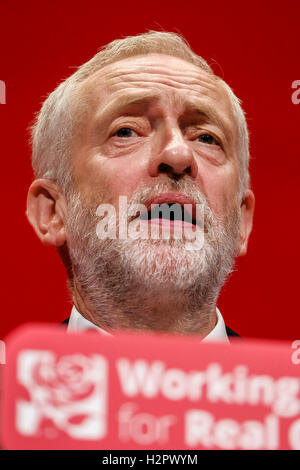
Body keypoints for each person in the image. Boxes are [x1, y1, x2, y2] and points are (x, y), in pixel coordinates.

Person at [26, 31, 255, 342]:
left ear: (241, 222)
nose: (178, 155)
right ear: (53, 211)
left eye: (206, 137)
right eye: (127, 131)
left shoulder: (288, 391)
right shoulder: (11, 391)